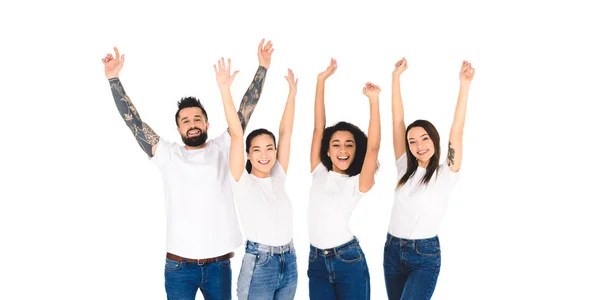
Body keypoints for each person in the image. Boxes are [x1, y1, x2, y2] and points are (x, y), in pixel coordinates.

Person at [101, 39, 274, 300]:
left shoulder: (224, 146)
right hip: (179, 267)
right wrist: (114, 80)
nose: (192, 124)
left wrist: (262, 68)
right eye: (185, 121)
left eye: (197, 119)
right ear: (179, 129)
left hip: (218, 266)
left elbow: (245, 111)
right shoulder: (168, 154)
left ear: (206, 123)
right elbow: (134, 123)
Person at [383, 58, 475, 300]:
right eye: (412, 141)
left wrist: (464, 84)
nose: (418, 145)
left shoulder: (446, 174)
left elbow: (457, 129)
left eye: (424, 138)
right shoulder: (404, 168)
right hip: (392, 251)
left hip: (424, 255)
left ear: (434, 140)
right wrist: (395, 78)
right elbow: (397, 121)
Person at [215, 57, 299, 299]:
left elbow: (286, 131)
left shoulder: (278, 176)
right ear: (248, 154)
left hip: (289, 260)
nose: (265, 155)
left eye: (269, 148)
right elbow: (236, 132)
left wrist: (292, 93)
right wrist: (224, 90)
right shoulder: (242, 180)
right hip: (260, 264)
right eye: (257, 150)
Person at [306, 58, 381, 299]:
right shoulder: (318, 171)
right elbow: (319, 128)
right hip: (316, 261)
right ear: (327, 151)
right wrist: (321, 81)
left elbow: (373, 148)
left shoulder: (358, 183)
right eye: (336, 145)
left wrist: (374, 101)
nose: (343, 150)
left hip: (347, 261)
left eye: (349, 145)